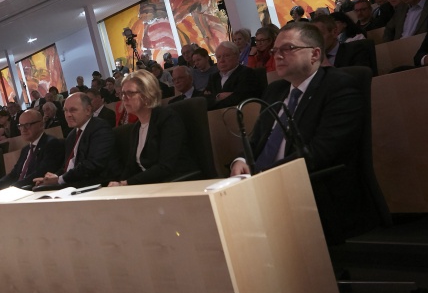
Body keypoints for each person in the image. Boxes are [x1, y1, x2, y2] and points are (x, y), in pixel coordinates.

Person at [230, 22, 374, 244]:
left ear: (315, 54)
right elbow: (257, 139)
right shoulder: (275, 90)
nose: (277, 56)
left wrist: (263, 176)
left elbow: (322, 152)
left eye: (288, 49)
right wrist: (241, 159)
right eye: (275, 50)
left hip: (315, 189)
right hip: (268, 187)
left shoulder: (339, 86)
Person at [108, 70, 196, 186]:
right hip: (152, 185)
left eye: (130, 93)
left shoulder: (167, 119)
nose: (124, 98)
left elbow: (165, 167)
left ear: (147, 95)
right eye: (122, 94)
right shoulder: (136, 128)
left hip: (177, 183)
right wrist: (118, 184)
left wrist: (127, 183)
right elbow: (131, 167)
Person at [34, 92, 117, 188]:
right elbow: (68, 166)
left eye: (73, 110)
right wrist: (53, 178)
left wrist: (60, 179)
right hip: (74, 183)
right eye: (65, 110)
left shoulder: (100, 128)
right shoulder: (72, 135)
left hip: (97, 184)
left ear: (88, 110)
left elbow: (93, 165)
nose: (68, 115)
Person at [0, 110, 65, 191]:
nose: (23, 129)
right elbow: (14, 174)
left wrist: (12, 188)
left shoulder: (51, 144)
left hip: (33, 191)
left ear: (41, 125)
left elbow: (40, 173)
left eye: (27, 125)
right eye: (20, 126)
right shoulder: (25, 149)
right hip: (18, 190)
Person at [203, 41, 263, 110]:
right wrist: (219, 96)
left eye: (226, 56)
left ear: (237, 57)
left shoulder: (246, 73)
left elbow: (241, 99)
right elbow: (204, 101)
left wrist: (213, 100)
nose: (221, 60)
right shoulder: (213, 77)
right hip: (217, 117)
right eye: (218, 57)